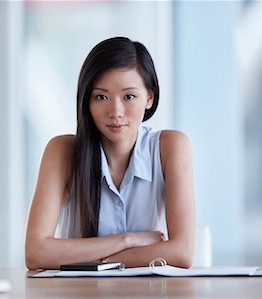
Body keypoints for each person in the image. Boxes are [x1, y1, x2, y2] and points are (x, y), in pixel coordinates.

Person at [25, 37, 195, 270]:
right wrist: (128, 241)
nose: (115, 112)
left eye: (129, 96)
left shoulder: (171, 146)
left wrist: (93, 260)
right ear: (87, 101)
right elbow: (36, 253)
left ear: (150, 97)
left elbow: (182, 252)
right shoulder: (62, 151)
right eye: (101, 97)